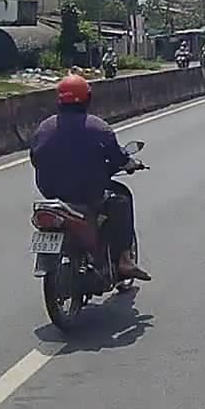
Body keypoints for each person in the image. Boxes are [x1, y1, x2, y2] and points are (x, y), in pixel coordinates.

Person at [29, 74, 151, 282]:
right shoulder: (98, 128)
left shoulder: (44, 128)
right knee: (121, 199)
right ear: (87, 99)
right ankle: (124, 260)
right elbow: (118, 158)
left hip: (51, 192)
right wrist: (131, 163)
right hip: (87, 192)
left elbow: (34, 157)